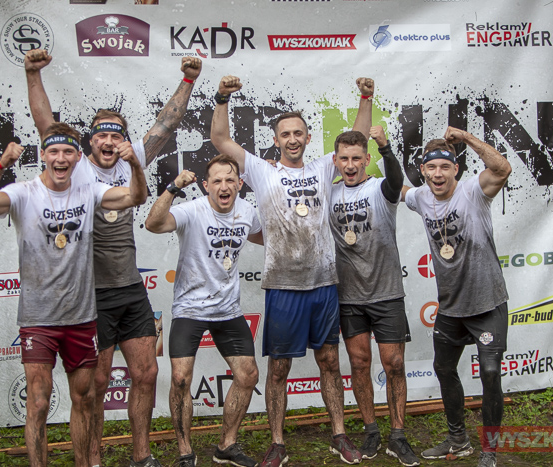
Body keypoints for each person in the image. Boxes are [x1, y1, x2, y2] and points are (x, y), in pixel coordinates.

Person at [24, 49, 202, 467]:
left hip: (130, 288)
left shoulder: (130, 161)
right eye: (101, 135)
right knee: (96, 383)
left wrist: (189, 79)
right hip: (91, 294)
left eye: (116, 136)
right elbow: (46, 125)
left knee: (146, 373)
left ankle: (141, 456)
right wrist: (33, 74)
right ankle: (94, 459)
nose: (108, 142)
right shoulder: (77, 168)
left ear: (123, 140)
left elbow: (167, 123)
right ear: (89, 141)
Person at [211, 75, 374, 466]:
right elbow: (220, 140)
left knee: (330, 362)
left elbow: (358, 139)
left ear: (307, 137)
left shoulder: (322, 167)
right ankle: (277, 443)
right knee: (279, 369)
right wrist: (221, 98)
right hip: (283, 286)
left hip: (324, 284)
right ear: (276, 140)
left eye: (298, 133)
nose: (293, 139)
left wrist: (366, 98)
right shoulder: (261, 170)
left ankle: (339, 435)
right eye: (285, 134)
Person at [0, 123, 147, 467]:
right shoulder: (24, 193)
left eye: (67, 152)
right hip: (39, 319)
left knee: (84, 399)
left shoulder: (89, 191)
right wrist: (0, 166)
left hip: (81, 317)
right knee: (38, 402)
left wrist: (135, 165)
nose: (60, 158)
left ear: (78, 157)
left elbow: (134, 197)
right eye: (53, 151)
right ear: (43, 155)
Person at [401, 127, 511, 467]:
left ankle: (489, 450)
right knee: (443, 368)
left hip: (487, 303)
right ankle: (458, 440)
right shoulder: (421, 197)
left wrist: (466, 138)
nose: (438, 174)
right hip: (451, 307)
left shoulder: (473, 191)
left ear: (455, 170)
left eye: (445, 167)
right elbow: (396, 189)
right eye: (432, 167)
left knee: (490, 372)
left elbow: (502, 169)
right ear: (423, 170)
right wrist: (370, 166)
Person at [145, 155, 263, 467]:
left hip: (228, 309)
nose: (224, 186)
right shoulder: (193, 210)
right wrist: (173, 188)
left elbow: (267, 236)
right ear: (206, 185)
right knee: (180, 379)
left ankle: (227, 445)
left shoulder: (247, 212)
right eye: (217, 181)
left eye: (230, 180)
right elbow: (153, 224)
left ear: (240, 184)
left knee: (248, 375)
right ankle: (186, 452)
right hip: (190, 308)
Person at [330, 126, 420, 466]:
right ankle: (371, 430)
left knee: (394, 364)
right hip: (349, 297)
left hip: (386, 293)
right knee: (359, 364)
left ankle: (398, 435)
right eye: (344, 159)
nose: (350, 165)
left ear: (366, 159)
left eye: (356, 158)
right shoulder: (329, 193)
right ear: (335, 161)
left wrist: (386, 148)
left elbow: (396, 180)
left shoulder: (381, 189)